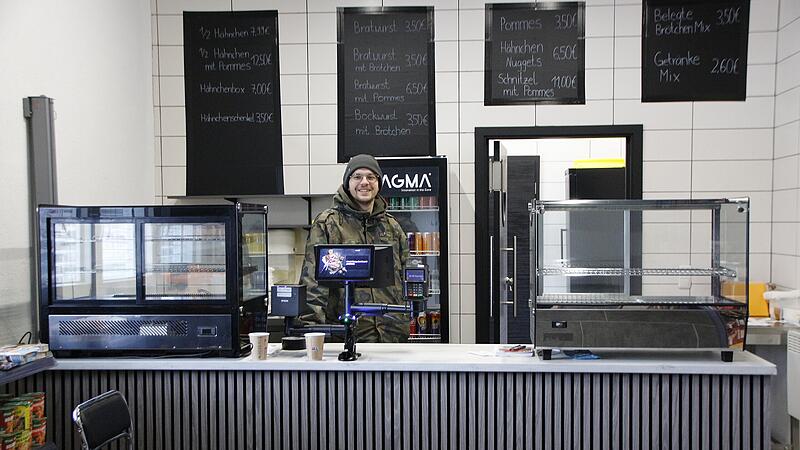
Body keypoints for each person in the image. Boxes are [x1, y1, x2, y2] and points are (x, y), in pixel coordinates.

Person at [298, 154, 410, 343]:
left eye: (371, 177)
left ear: (378, 183)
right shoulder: (328, 223)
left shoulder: (392, 226)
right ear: (347, 183)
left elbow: (406, 275)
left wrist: (407, 317)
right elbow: (313, 284)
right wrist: (311, 333)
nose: (364, 182)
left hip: (392, 335)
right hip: (349, 336)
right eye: (357, 176)